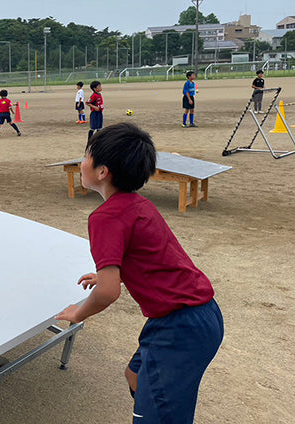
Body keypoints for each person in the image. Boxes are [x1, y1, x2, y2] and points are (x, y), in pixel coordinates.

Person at [56, 122, 224, 424]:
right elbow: (151, 255)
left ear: (102, 171)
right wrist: (109, 273)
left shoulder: (105, 217)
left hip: (180, 326)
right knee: (135, 375)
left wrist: (78, 313)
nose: (81, 162)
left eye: (86, 155)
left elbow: (109, 293)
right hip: (199, 315)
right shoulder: (138, 204)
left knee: (159, 414)